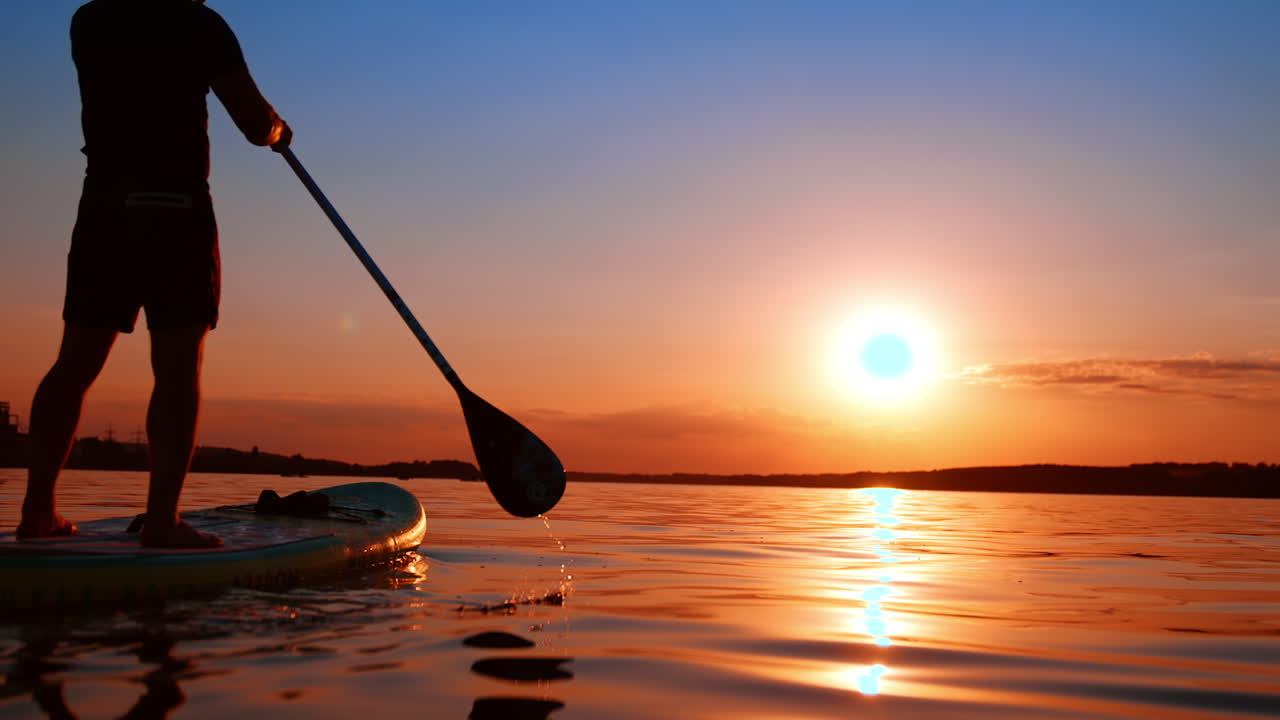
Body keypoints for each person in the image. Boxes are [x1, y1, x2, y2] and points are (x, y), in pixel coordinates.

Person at [17, 0, 292, 548]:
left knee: (73, 364)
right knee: (176, 369)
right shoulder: (200, 25)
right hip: (177, 211)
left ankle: (37, 513)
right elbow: (255, 123)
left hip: (104, 211)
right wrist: (280, 131)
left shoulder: (90, 20)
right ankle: (162, 521)